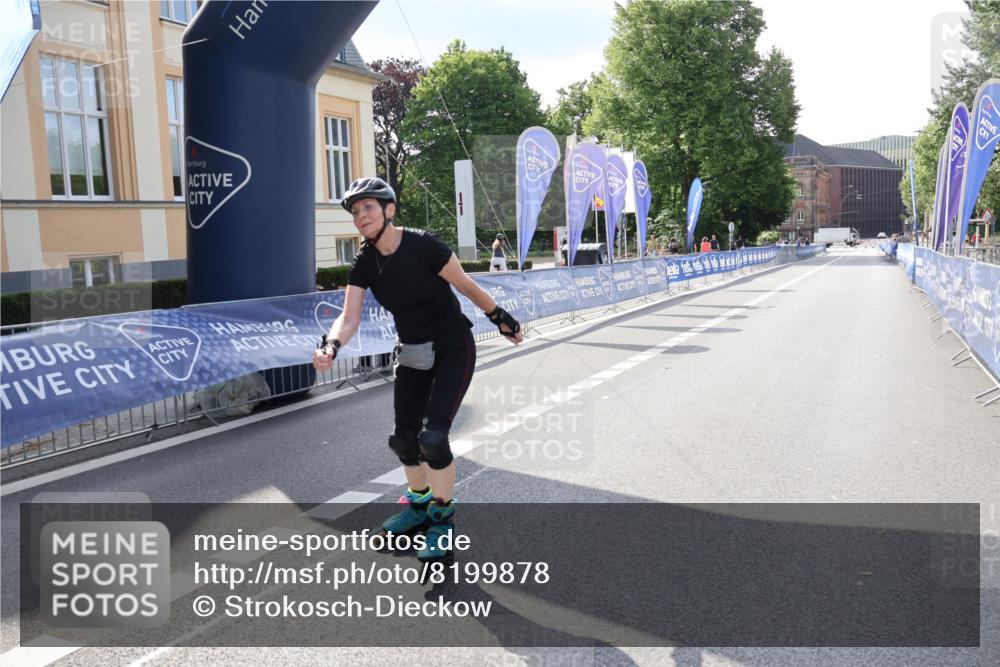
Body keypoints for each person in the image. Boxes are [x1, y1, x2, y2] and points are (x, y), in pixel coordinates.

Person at [312, 177, 524, 565]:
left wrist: (500, 318)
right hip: (412, 352)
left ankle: (442, 521)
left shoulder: (425, 246)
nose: (361, 217)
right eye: (356, 212)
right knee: (404, 440)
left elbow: (465, 285)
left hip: (452, 347)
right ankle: (419, 505)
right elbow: (350, 315)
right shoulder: (364, 263)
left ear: (389, 210)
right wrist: (331, 345)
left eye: (368, 208)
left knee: (434, 438)